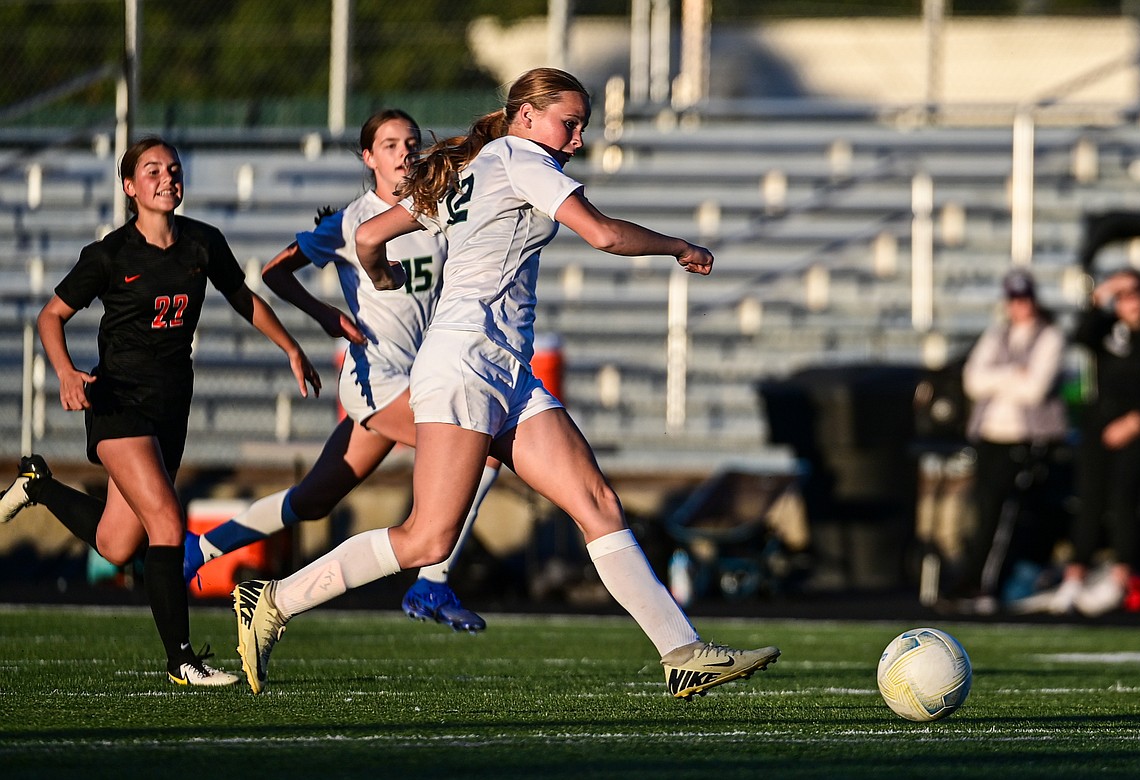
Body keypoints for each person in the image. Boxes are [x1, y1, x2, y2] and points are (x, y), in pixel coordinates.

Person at [231, 67, 780, 698]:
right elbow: (601, 234)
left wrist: (379, 274)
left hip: (504, 371)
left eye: (581, 127)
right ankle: (274, 600)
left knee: (596, 502)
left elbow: (368, 235)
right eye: (568, 124)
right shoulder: (520, 161)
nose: (576, 140)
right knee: (427, 537)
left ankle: (682, 652)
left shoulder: (476, 164)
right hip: (465, 363)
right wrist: (678, 246)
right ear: (525, 115)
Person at [0, 136, 321, 686]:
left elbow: (243, 298)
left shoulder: (202, 242)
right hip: (117, 403)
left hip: (171, 406)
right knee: (167, 523)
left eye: (173, 169)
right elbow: (50, 317)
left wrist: (291, 347)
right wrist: (66, 373)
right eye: (152, 171)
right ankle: (182, 661)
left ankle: (38, 486)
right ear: (130, 188)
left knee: (115, 544)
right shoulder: (108, 254)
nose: (166, 178)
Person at [183, 109, 496, 632]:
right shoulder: (352, 221)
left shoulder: (436, 213)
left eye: (412, 142)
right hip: (375, 380)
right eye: (391, 144)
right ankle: (432, 583)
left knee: (314, 499)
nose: (405, 152)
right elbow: (273, 273)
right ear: (368, 157)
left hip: (417, 379)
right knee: (480, 450)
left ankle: (203, 546)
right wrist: (327, 315)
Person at [1025, 268, 1140, 616]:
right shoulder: (1106, 329)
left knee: (1123, 493)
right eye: (1122, 295)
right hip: (1101, 424)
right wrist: (1098, 298)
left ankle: (1121, 578)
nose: (1129, 302)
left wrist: (1136, 421)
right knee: (1088, 498)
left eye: (1134, 293)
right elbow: (1081, 335)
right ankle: (1075, 577)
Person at [938, 269, 1067, 615]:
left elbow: (1035, 389)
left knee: (1005, 516)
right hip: (990, 438)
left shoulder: (1049, 337)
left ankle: (983, 583)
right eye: (1013, 299)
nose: (1019, 306)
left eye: (1024, 299)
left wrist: (998, 377)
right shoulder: (998, 334)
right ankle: (973, 581)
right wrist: (1013, 374)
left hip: (1025, 440)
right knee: (985, 513)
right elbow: (973, 381)